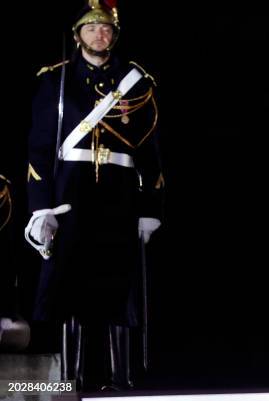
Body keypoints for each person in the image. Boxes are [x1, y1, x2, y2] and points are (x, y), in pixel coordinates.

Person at [25, 0, 164, 391]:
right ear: (77, 34)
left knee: (119, 288)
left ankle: (122, 379)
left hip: (119, 197)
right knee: (70, 289)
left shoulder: (138, 82)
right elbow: (38, 149)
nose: (100, 34)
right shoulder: (55, 81)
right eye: (92, 28)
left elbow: (151, 152)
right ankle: (73, 380)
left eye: (106, 29)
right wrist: (41, 208)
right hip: (72, 194)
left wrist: (150, 209)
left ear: (114, 36)